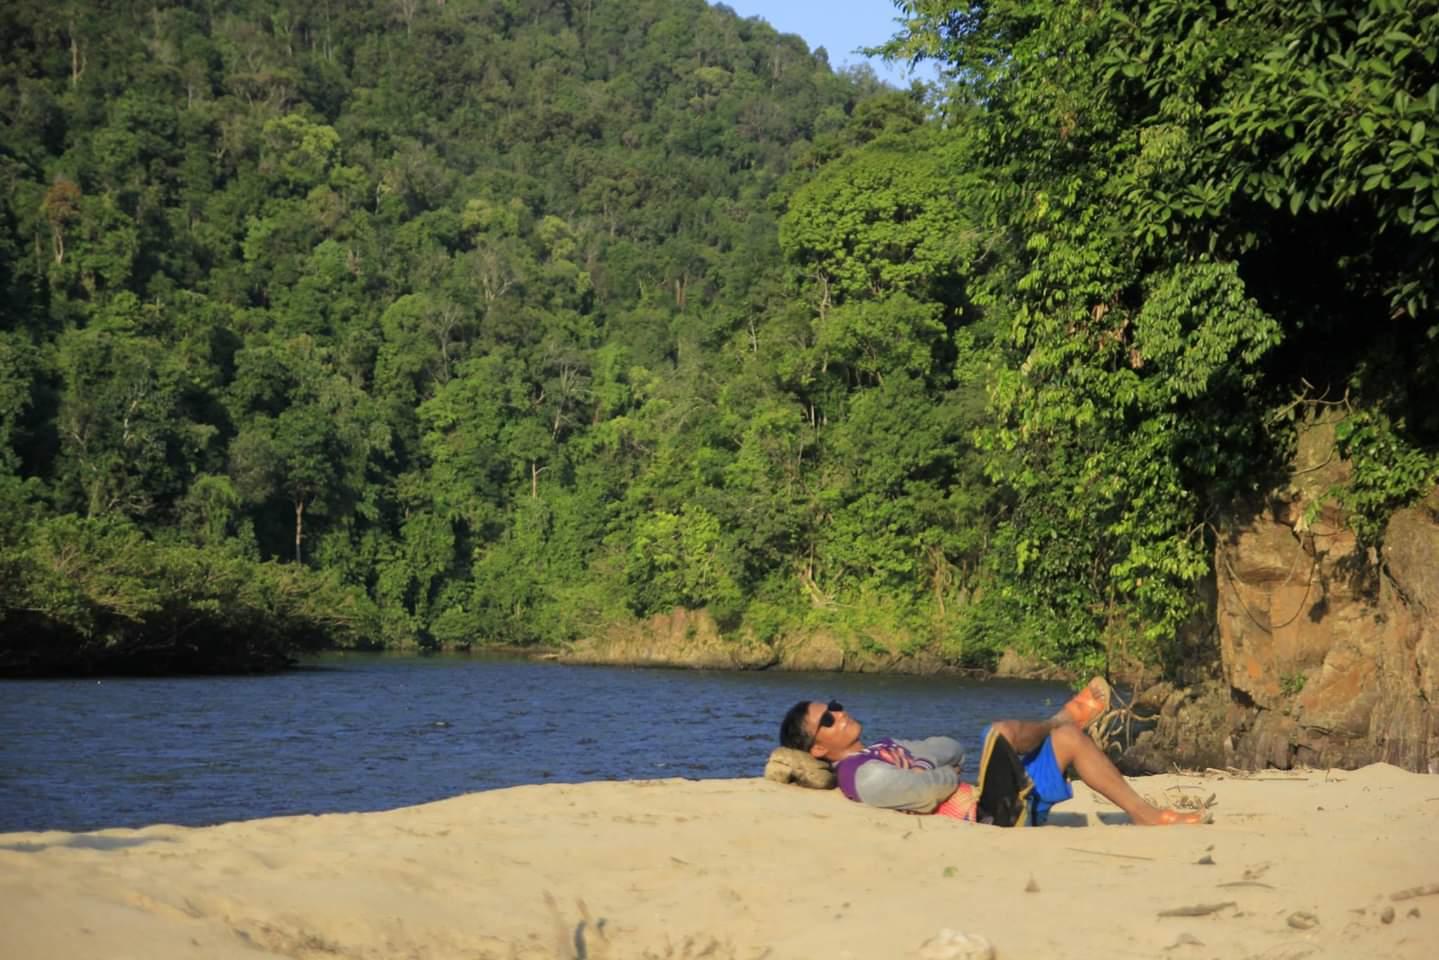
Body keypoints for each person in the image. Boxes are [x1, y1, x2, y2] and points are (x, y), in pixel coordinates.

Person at [778, 679, 1205, 826]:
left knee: (1071, 742)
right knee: (999, 732)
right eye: (828, 720)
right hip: (985, 815)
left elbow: (949, 747)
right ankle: (1061, 717)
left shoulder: (884, 748)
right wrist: (939, 776)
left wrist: (931, 768)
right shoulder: (861, 774)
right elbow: (928, 789)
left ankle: (1145, 815)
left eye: (834, 706)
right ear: (818, 746)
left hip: (998, 803)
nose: (839, 713)